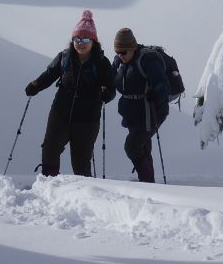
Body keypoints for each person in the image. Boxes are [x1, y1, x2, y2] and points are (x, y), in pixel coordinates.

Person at [24, 10, 116, 177]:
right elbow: (49, 75)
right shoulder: (64, 57)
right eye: (77, 39)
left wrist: (105, 94)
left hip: (87, 119)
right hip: (60, 113)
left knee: (81, 161)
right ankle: (49, 184)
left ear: (93, 41)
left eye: (85, 39)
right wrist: (35, 86)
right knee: (50, 149)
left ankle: (83, 194)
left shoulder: (102, 63)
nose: (80, 43)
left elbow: (111, 89)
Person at [112, 27, 169, 183]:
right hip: (132, 113)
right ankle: (148, 184)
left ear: (132, 48)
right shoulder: (119, 61)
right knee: (143, 148)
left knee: (132, 146)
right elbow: (111, 80)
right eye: (117, 51)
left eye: (123, 52)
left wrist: (156, 100)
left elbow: (162, 85)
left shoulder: (148, 60)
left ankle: (147, 182)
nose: (120, 55)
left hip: (150, 111)